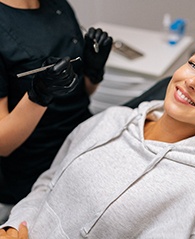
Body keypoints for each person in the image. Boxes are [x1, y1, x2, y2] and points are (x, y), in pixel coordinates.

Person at [0, 36, 195, 239]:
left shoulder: (192, 189)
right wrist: (14, 226)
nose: (192, 82)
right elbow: (49, 182)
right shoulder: (112, 119)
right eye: (194, 65)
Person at [0, 0, 113, 223]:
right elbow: (3, 145)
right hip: (37, 163)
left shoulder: (58, 5)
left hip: (83, 136)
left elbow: (83, 93)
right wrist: (39, 95)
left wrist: (94, 68)